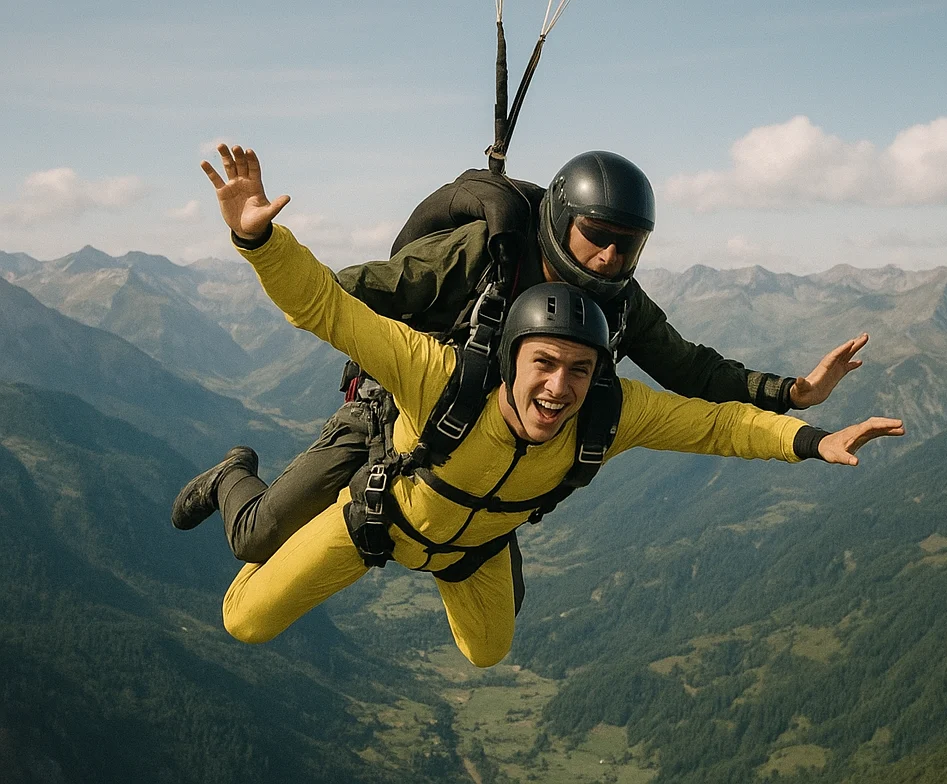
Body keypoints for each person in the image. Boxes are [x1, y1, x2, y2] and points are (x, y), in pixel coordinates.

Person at [199, 146, 902, 667]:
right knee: (256, 539)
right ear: (564, 221)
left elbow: (695, 378)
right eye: (597, 235)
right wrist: (264, 244)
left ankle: (469, 534)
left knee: (488, 639)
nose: (609, 256)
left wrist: (795, 400)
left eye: (628, 244)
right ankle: (233, 472)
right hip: (407, 409)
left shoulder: (620, 307)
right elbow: (337, 300)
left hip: (494, 465)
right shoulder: (486, 253)